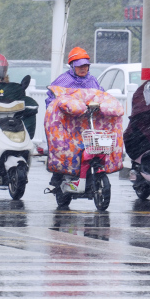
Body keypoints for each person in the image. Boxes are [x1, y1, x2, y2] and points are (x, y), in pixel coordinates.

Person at [45, 47, 104, 192]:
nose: (83, 69)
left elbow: (102, 95)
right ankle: (59, 176)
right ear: (72, 66)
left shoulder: (93, 80)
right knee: (66, 148)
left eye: (85, 66)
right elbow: (51, 99)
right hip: (67, 123)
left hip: (87, 122)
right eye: (79, 66)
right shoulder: (63, 80)